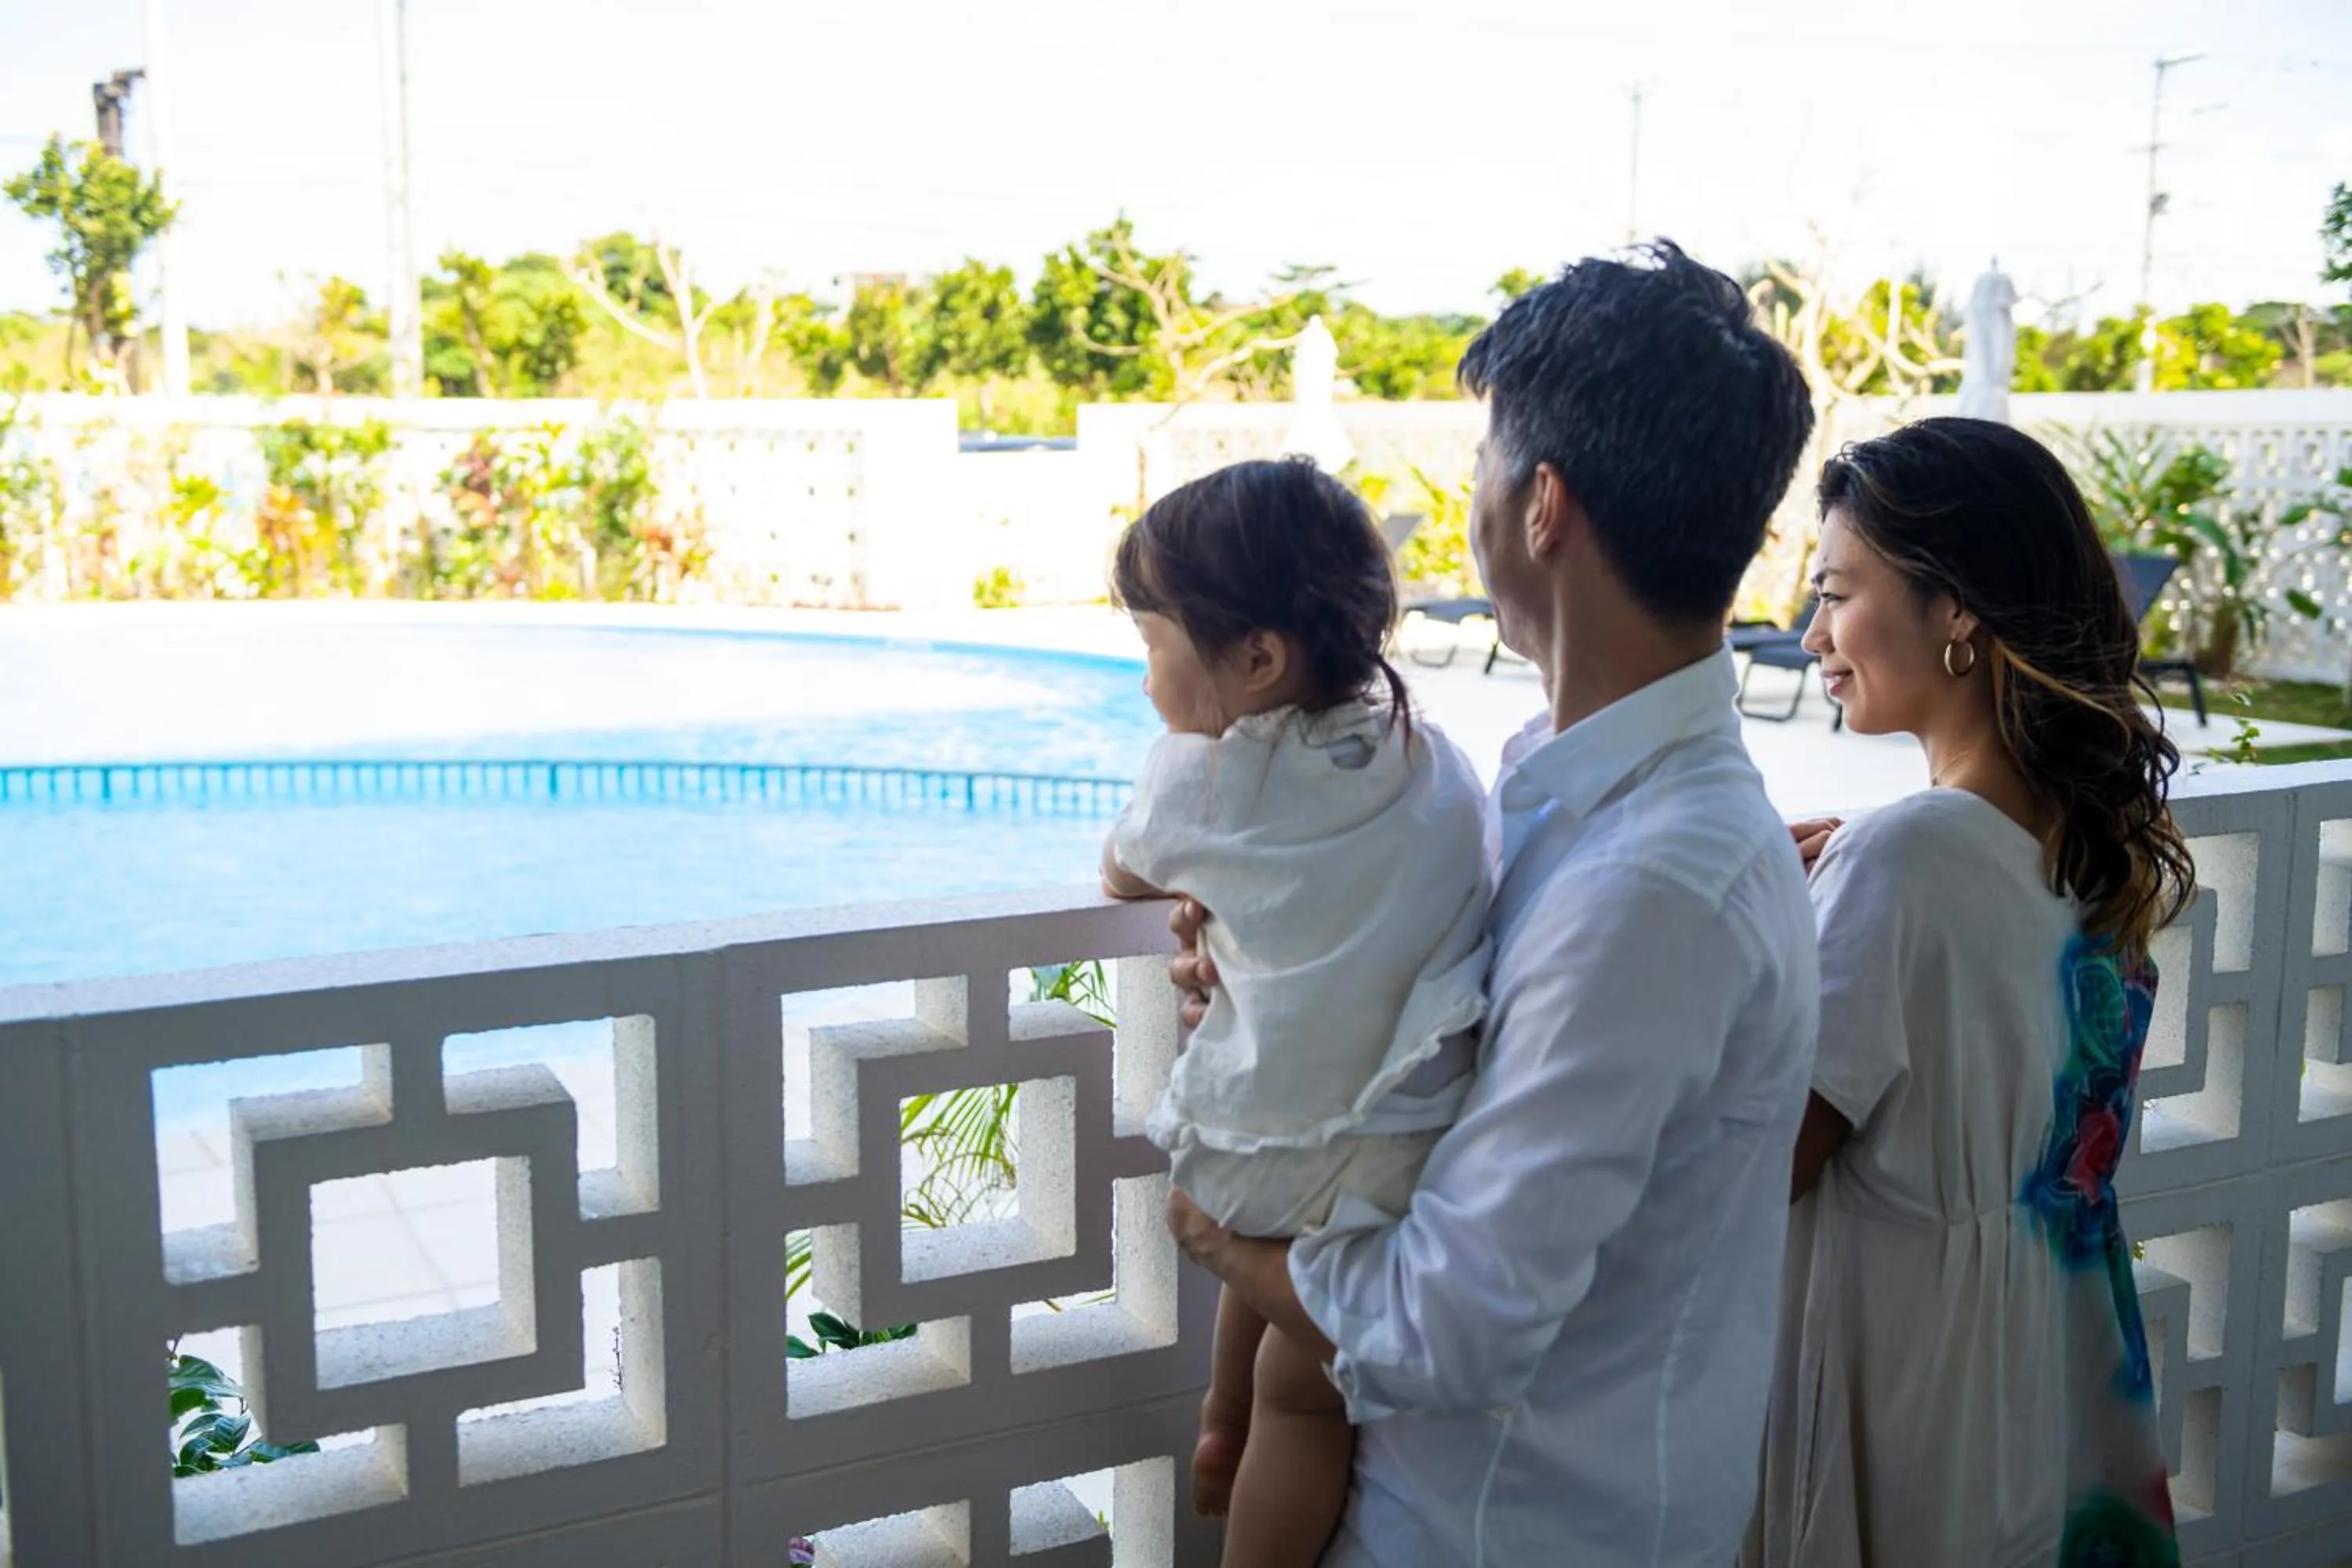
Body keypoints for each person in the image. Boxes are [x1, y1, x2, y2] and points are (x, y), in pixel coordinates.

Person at [1163, 241, 1821, 1566]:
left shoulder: (1656, 884)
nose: (1468, 498)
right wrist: (1297, 984)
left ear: (1542, 506)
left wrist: (1227, 1248)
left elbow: (1446, 1322)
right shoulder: (1577, 804)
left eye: (1481, 462)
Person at [1748, 417, 2193, 1567]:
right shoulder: (2092, 841)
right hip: (2067, 1365)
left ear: (1957, 612)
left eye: (1838, 593)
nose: (1811, 637)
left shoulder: (1906, 860)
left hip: (1923, 1392)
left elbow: (1758, 1170)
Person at [1100, 457, 1492, 1567]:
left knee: (1294, 1381)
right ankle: (1231, 1417)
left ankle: (1232, 1437)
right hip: (1413, 1140)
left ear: (1258, 658)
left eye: (1152, 650)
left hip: (1269, 1142)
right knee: (1299, 1337)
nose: (1145, 686)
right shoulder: (1432, 762)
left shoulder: (1211, 782)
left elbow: (1121, 872)